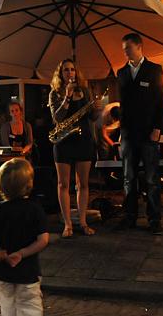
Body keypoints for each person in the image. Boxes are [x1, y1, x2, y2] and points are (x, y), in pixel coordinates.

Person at [0, 158, 49, 316]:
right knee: (29, 306)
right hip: (27, 270)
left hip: (2, 270)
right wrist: (21, 253)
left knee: (7, 304)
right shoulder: (35, 209)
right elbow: (43, 240)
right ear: (29, 184)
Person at [115, 33, 163, 235]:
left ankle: (154, 219)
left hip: (148, 133)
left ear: (139, 47)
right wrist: (121, 130)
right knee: (128, 178)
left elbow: (162, 101)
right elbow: (122, 104)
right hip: (128, 134)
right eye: (124, 49)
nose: (125, 52)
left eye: (128, 48)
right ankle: (130, 217)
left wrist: (158, 128)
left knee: (152, 179)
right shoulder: (121, 73)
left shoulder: (154, 70)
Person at [48, 59, 102, 238]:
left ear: (76, 72)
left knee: (83, 184)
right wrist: (67, 96)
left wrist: (97, 109)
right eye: (66, 70)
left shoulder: (84, 91)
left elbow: (92, 118)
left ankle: (83, 222)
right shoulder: (55, 93)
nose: (70, 73)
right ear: (60, 73)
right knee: (63, 184)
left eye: (72, 69)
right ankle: (68, 225)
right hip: (64, 141)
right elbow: (58, 118)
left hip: (83, 140)